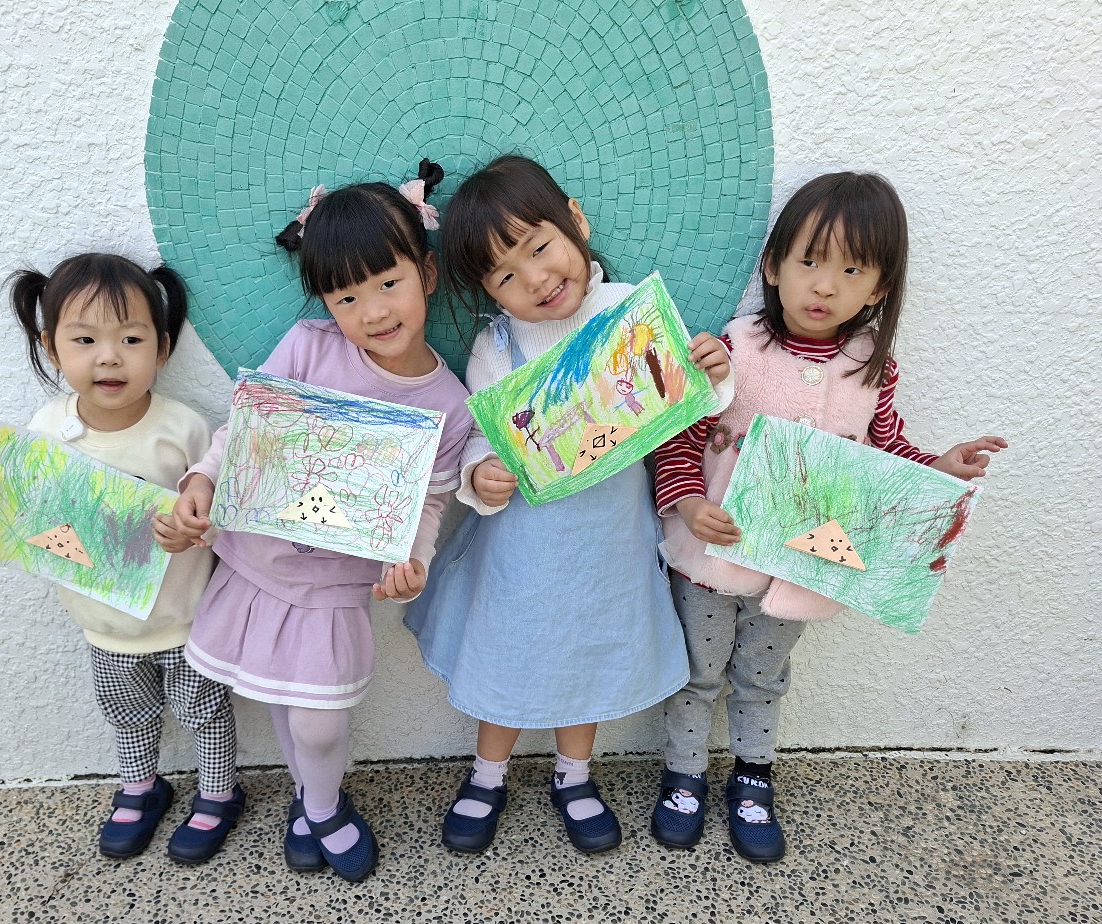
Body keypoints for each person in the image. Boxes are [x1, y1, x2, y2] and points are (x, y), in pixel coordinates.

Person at [651, 172, 1007, 862]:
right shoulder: (735, 348)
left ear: (877, 288)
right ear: (773, 266)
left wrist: (939, 466)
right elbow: (679, 438)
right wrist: (689, 504)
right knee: (696, 673)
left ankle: (753, 778)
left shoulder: (870, 366)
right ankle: (683, 776)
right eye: (809, 261)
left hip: (804, 561)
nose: (823, 285)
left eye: (850, 270)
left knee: (762, 676)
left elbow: (883, 453)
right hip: (714, 553)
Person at [405, 154, 733, 855]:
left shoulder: (629, 314)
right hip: (523, 546)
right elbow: (481, 437)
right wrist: (480, 475)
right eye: (504, 276)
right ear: (486, 292)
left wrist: (711, 373)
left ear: (575, 221)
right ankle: (487, 773)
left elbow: (683, 408)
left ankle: (574, 775)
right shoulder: (497, 345)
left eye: (539, 247)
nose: (534, 279)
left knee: (587, 651)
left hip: (608, 542)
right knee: (511, 650)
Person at [171, 161, 473, 882]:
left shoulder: (449, 403)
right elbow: (245, 429)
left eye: (388, 283)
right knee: (285, 697)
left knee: (319, 715)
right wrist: (201, 476)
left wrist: (413, 560)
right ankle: (312, 803)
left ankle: (323, 804)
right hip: (258, 563)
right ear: (326, 304)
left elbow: (428, 503)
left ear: (427, 274)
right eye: (347, 296)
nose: (373, 312)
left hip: (336, 585)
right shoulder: (309, 347)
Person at [0, 253, 240, 864]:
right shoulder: (44, 429)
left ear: (162, 348)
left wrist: (191, 530)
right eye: (84, 340)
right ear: (51, 348)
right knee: (126, 711)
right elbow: (25, 511)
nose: (109, 358)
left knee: (206, 711)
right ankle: (139, 787)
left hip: (187, 618)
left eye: (131, 339)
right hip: (101, 621)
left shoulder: (185, 430)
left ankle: (218, 794)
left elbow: (222, 513)